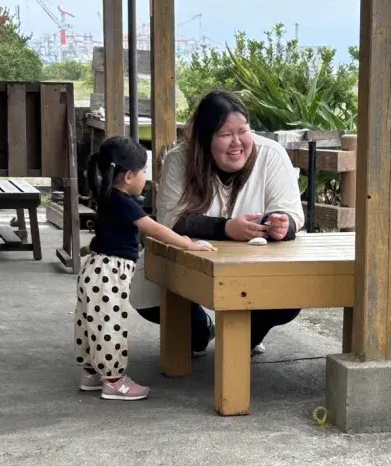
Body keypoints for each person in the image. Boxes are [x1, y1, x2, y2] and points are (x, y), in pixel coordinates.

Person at [130, 90, 305, 353]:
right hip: (187, 264)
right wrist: (226, 228)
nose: (237, 142)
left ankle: (245, 337)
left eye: (243, 131)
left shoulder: (272, 154)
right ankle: (202, 329)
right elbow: (171, 220)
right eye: (225, 134)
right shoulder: (180, 158)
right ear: (205, 137)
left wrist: (283, 225)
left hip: (253, 265)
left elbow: (292, 214)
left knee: (288, 298)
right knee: (153, 302)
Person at [75, 136, 215, 401]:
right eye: (143, 172)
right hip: (108, 273)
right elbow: (154, 229)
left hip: (95, 269)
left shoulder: (107, 196)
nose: (146, 179)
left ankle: (91, 373)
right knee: (110, 325)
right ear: (129, 176)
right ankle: (114, 382)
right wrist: (187, 244)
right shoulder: (123, 202)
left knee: (91, 322)